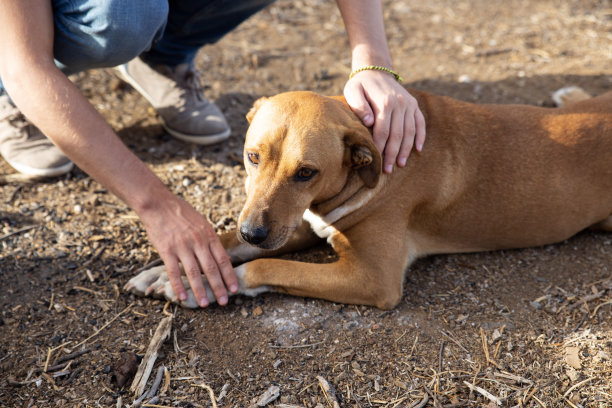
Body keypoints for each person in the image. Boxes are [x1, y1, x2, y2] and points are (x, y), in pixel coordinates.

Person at [0, 0, 425, 308]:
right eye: (255, 158)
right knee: (124, 14)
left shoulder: (383, 158)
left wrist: (371, 59)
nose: (254, 217)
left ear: (361, 160)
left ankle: (163, 57)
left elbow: (378, 286)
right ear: (252, 121)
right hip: (44, 32)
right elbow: (26, 64)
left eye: (303, 174)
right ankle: (16, 99)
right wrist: (156, 206)